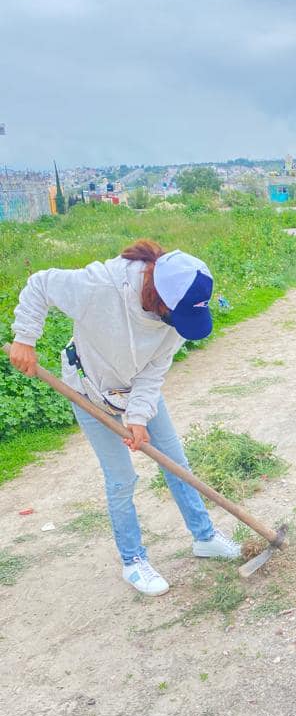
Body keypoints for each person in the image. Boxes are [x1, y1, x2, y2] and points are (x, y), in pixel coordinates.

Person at [9, 240, 241, 596]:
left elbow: (153, 371)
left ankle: (205, 536)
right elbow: (40, 283)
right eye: (175, 314)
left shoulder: (176, 319)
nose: (178, 324)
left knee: (175, 461)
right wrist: (25, 338)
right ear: (155, 294)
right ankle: (133, 561)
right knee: (121, 478)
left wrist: (138, 418)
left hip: (135, 389)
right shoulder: (99, 287)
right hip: (90, 388)